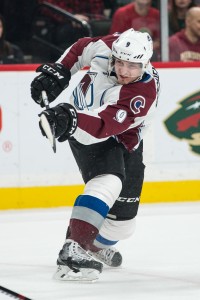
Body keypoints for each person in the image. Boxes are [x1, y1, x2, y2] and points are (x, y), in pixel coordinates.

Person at [30, 28, 160, 282]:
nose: (123, 70)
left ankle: (93, 246)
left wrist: (68, 116)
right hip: (86, 133)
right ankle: (73, 250)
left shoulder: (141, 93)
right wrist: (61, 70)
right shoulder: (110, 45)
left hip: (119, 133)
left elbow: (106, 123)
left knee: (123, 225)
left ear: (145, 64)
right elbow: (80, 48)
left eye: (132, 66)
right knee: (108, 182)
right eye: (120, 62)